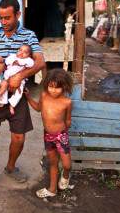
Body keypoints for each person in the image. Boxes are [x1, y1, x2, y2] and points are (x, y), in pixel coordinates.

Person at [0, 0, 45, 183]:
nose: (4, 22)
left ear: (18, 14)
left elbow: (40, 61)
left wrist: (19, 77)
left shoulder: (28, 36)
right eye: (1, 18)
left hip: (17, 94)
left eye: (7, 18)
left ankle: (11, 167)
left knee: (19, 137)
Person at [25, 69, 73, 198]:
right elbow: (38, 108)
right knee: (53, 163)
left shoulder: (67, 102)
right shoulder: (44, 95)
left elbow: (68, 121)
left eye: (57, 88)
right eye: (51, 86)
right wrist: (28, 97)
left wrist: (63, 134)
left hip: (61, 136)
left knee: (67, 165)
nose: (53, 90)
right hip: (48, 136)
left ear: (64, 87)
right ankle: (52, 189)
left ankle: (66, 176)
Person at [0, 44, 34, 115]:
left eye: (25, 52)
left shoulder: (28, 60)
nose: (21, 53)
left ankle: (12, 105)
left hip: (20, 80)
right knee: (3, 86)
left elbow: (31, 64)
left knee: (19, 93)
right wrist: (13, 61)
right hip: (7, 77)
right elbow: (7, 61)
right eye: (20, 50)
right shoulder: (12, 56)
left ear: (29, 55)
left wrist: (20, 62)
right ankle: (2, 100)